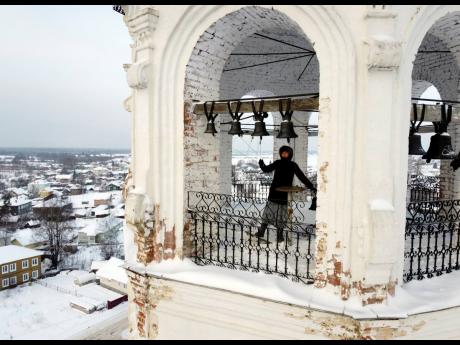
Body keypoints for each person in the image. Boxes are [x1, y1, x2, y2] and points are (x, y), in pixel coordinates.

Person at [256, 145, 316, 242]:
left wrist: (311, 186)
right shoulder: (278, 163)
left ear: (290, 154)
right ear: (280, 153)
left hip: (284, 194)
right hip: (274, 192)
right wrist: (262, 164)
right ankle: (262, 231)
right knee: (268, 212)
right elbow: (267, 169)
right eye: (282, 152)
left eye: (286, 152)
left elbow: (301, 177)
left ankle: (280, 235)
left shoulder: (293, 165)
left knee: (282, 214)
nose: (284, 154)